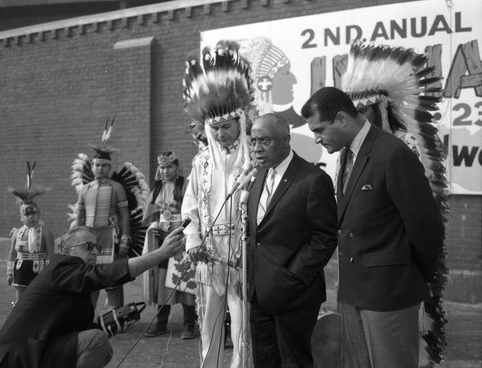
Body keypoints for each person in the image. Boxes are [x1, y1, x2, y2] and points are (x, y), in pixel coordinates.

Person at [301, 86, 444, 368]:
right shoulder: (347, 155)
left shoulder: (392, 153)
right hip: (353, 290)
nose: (317, 139)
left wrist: (412, 277)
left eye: (320, 130)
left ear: (342, 118)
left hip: (389, 293)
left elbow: (426, 227)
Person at [340, 40, 449, 366]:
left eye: (364, 110)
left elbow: (422, 221)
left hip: (396, 276)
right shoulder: (349, 152)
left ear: (380, 108)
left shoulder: (403, 147)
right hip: (361, 280)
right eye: (353, 111)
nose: (358, 118)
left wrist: (416, 273)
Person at [0, 226, 185, 368]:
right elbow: (105, 274)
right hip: (18, 358)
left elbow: (70, 329)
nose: (95, 253)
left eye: (97, 248)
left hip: (37, 348)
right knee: (96, 342)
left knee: (103, 347)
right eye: (89, 246)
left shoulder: (72, 275)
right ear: (68, 249)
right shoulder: (61, 267)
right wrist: (160, 254)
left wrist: (108, 324)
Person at [181, 40, 255, 368]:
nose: (222, 133)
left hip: (243, 253)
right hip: (209, 254)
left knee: (242, 325)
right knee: (209, 323)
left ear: (240, 121)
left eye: (227, 126)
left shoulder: (254, 158)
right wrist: (193, 239)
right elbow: (190, 207)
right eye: (216, 128)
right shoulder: (201, 162)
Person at [246, 113, 338, 368]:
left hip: (295, 295)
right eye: (253, 141)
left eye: (264, 140)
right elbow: (256, 232)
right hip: (258, 294)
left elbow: (325, 237)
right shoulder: (257, 177)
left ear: (286, 140)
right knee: (264, 362)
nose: (256, 148)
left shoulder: (312, 179)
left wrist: (293, 276)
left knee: (294, 362)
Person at [74, 119, 132, 309]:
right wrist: (77, 238)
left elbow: (124, 214)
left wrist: (124, 238)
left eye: (104, 165)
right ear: (92, 167)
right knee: (90, 277)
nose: (100, 168)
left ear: (110, 167)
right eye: (96, 165)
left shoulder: (117, 188)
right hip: (90, 237)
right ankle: (88, 314)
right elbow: (80, 217)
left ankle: (116, 313)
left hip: (111, 237)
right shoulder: (84, 190)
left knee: (112, 276)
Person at [142, 151, 197, 339]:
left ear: (177, 168)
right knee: (162, 279)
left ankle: (190, 324)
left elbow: (192, 212)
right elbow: (152, 214)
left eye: (169, 167)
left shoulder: (187, 186)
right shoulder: (157, 188)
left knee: (185, 278)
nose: (165, 171)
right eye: (162, 167)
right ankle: (160, 323)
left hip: (182, 234)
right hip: (162, 237)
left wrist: (186, 234)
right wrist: (154, 227)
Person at [7, 162, 54, 304]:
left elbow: (50, 253)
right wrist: (9, 273)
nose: (31, 217)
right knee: (20, 298)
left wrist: (48, 271)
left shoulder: (45, 231)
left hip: (39, 268)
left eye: (33, 213)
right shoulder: (16, 233)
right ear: (20, 217)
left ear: (39, 214)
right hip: (21, 269)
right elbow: (12, 254)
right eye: (26, 214)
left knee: (39, 297)